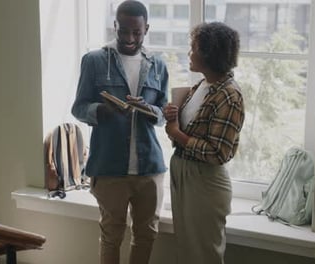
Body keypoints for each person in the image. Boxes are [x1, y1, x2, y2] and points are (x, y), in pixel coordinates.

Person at [71, 1, 168, 263]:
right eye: (123, 31)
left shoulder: (158, 65)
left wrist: (149, 109)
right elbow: (78, 108)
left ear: (146, 28)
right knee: (111, 236)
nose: (129, 38)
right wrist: (101, 111)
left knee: (146, 236)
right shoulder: (93, 61)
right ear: (115, 25)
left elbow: (163, 115)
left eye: (136, 32)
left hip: (150, 168)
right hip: (109, 167)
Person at [163, 22, 245, 264]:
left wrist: (177, 133)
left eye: (194, 48)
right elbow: (187, 132)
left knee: (204, 255)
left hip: (204, 181)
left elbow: (219, 152)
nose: (189, 53)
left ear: (209, 53)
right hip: (185, 173)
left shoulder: (229, 95)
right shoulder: (203, 86)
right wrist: (173, 119)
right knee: (188, 253)